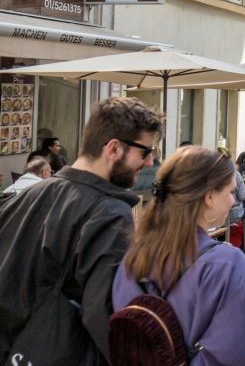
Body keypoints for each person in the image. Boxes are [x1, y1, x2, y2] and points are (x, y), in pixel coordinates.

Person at [0, 97, 163, 363]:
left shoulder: (28, 195)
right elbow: (105, 316)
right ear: (113, 149)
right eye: (145, 152)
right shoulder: (110, 213)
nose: (148, 163)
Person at [112, 146, 245, 364]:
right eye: (230, 192)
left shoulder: (133, 257)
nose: (233, 200)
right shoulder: (226, 264)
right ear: (209, 196)